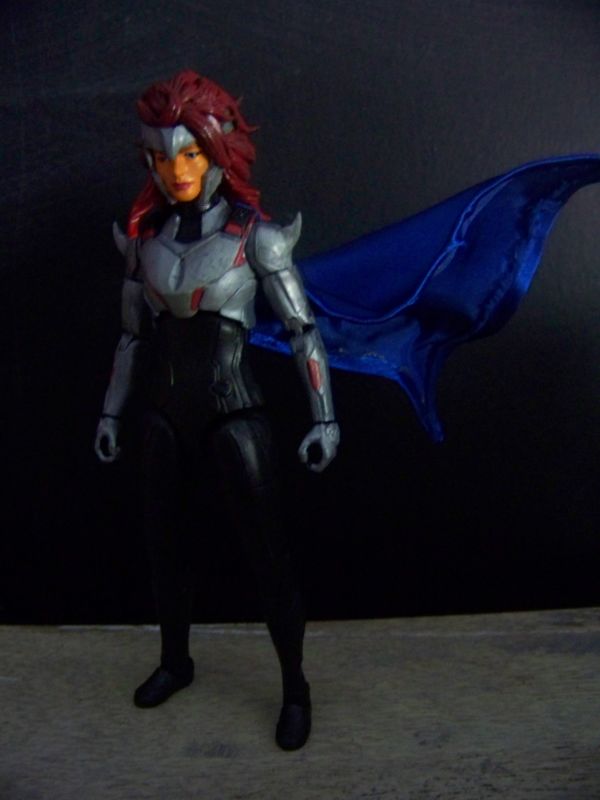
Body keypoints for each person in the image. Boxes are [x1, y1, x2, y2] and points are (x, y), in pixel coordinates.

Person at [94, 69, 340, 751]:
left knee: (268, 557)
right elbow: (130, 337)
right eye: (160, 155)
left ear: (216, 150)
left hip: (236, 415)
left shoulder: (256, 238)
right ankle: (176, 661)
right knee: (163, 549)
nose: (175, 170)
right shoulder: (144, 242)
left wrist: (324, 417)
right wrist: (111, 413)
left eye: (190, 152)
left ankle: (295, 687)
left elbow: (303, 331)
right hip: (162, 414)